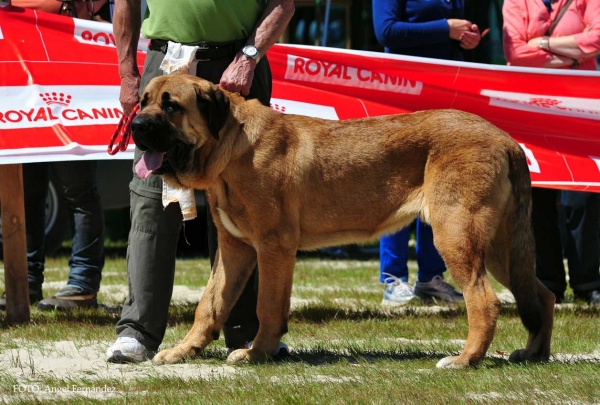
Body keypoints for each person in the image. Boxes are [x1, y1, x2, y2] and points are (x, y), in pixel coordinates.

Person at [105, 0, 295, 362]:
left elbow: (282, 4)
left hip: (235, 69)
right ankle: (137, 333)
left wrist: (249, 56)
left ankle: (246, 333)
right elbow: (125, 3)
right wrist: (127, 73)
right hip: (163, 65)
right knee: (150, 200)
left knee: (246, 210)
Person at [372, 0, 482, 305]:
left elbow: (451, 32)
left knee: (440, 184)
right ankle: (393, 278)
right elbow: (386, 31)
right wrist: (447, 29)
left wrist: (466, 38)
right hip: (402, 90)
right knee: (397, 184)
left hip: (444, 89)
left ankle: (431, 277)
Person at [0, 0, 108, 312]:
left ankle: (83, 283)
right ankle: (26, 281)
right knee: (27, 187)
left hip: (66, 59)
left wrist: (68, 6)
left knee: (77, 186)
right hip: (21, 62)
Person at [503, 0, 600, 305]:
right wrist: (573, 56)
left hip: (579, 108)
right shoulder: (515, 2)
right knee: (537, 195)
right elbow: (516, 54)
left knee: (582, 196)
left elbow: (596, 40)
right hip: (530, 107)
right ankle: (549, 283)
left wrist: (544, 44)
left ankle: (588, 281)